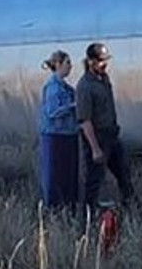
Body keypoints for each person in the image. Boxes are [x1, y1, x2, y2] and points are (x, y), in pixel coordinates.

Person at [75, 43, 135, 209]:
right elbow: (85, 121)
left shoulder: (104, 79)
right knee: (94, 181)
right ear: (91, 62)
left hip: (112, 136)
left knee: (124, 173)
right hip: (97, 137)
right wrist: (95, 148)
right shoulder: (85, 87)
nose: (105, 63)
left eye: (106, 59)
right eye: (101, 60)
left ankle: (131, 207)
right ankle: (87, 217)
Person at [38, 50, 79, 210]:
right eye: (67, 63)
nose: (70, 67)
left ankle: (67, 206)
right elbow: (52, 111)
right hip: (55, 136)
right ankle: (54, 207)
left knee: (68, 176)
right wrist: (73, 106)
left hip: (68, 135)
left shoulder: (67, 88)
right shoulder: (53, 88)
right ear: (58, 65)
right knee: (56, 175)